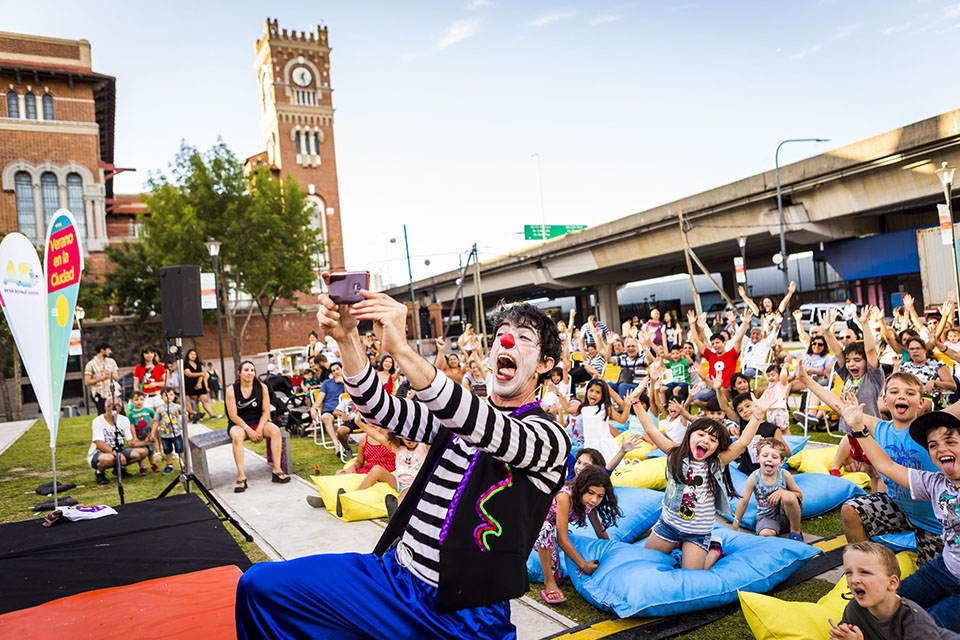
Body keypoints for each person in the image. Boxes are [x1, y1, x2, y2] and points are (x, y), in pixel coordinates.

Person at [235, 274, 569, 639]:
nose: (508, 339)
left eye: (524, 338)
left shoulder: (548, 438)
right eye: (504, 332)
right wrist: (347, 337)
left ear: (544, 364)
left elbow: (484, 426)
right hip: (392, 582)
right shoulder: (454, 417)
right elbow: (378, 408)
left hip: (465, 616)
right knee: (259, 587)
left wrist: (403, 350)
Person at [838, 401, 960, 633]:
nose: (941, 448)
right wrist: (858, 428)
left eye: (951, 442)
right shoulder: (935, 483)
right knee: (880, 605)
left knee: (924, 627)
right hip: (946, 569)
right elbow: (887, 465)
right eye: (933, 445)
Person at [804, 373, 945, 568]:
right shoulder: (880, 428)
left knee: (936, 580)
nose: (902, 396)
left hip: (934, 522)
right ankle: (866, 566)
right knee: (851, 510)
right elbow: (840, 406)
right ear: (885, 400)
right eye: (894, 392)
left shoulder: (930, 432)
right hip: (899, 507)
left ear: (921, 402)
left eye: (910, 393)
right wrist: (805, 379)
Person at [634, 387, 772, 569]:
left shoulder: (716, 463)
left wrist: (757, 415)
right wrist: (635, 402)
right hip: (668, 526)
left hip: (697, 533)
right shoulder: (675, 454)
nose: (706, 441)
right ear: (689, 435)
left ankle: (714, 550)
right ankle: (677, 545)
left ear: (716, 447)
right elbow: (651, 429)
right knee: (646, 564)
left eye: (713, 439)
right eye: (701, 435)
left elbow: (742, 442)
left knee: (695, 573)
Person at [829, 541, 960, 640]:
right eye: (848, 573)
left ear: (892, 583)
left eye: (864, 572)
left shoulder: (914, 622)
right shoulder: (855, 610)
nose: (854, 580)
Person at [535, 465, 620, 605]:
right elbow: (562, 540)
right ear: (581, 487)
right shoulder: (564, 497)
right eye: (591, 493)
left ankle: (553, 579)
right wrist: (584, 566)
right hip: (534, 527)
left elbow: (599, 530)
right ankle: (549, 583)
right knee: (546, 529)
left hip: (550, 532)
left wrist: (613, 549)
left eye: (600, 496)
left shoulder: (590, 504)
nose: (594, 500)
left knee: (559, 577)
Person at [225, 360, 292, 493]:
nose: (249, 373)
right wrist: (249, 430)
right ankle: (241, 476)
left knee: (275, 431)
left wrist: (260, 428)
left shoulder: (262, 387)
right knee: (237, 436)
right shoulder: (231, 390)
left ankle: (277, 470)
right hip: (239, 424)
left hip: (258, 421)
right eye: (246, 370)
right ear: (239, 373)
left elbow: (266, 411)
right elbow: (233, 416)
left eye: (252, 370)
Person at [732, 438, 804, 541]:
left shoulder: (784, 475)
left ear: (781, 462)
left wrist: (782, 492)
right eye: (765, 456)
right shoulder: (754, 478)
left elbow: (799, 495)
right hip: (767, 517)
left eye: (774, 457)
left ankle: (795, 532)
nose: (769, 459)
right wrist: (736, 523)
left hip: (786, 514)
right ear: (758, 458)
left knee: (788, 496)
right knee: (765, 535)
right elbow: (744, 501)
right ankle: (775, 529)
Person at [559, 379, 637, 465]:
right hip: (590, 443)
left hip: (604, 444)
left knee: (611, 466)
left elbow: (622, 420)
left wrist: (627, 406)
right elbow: (568, 408)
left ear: (602, 395)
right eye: (591, 391)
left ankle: (627, 463)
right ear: (587, 391)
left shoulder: (605, 407)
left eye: (597, 392)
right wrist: (557, 393)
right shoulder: (583, 408)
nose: (593, 394)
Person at [689, 308, 751, 407]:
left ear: (724, 343)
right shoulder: (711, 355)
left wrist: (745, 323)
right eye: (713, 344)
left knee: (720, 395)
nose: (715, 346)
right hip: (713, 387)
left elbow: (739, 338)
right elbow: (697, 341)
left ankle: (720, 410)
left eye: (717, 343)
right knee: (696, 400)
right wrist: (692, 324)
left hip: (726, 389)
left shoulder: (731, 354)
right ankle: (711, 411)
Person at [87, 399, 149, 485]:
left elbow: (130, 442)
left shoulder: (124, 420)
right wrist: (117, 454)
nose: (114, 408)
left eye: (117, 405)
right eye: (110, 405)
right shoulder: (97, 421)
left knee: (143, 451)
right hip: (100, 453)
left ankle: (118, 468)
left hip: (120, 450)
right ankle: (99, 473)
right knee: (109, 458)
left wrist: (147, 442)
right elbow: (99, 444)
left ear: (120, 408)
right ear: (105, 408)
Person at [900, 336, 955, 411]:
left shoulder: (937, 365)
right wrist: (896, 365)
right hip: (905, 397)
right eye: (912, 349)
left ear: (925, 350)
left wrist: (935, 382)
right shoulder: (904, 366)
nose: (915, 351)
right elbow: (893, 384)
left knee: (916, 407)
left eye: (918, 348)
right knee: (880, 407)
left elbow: (953, 386)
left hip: (929, 399)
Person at [314, 361, 350, 458]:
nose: (336, 372)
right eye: (333, 371)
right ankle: (337, 445)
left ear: (342, 369)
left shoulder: (348, 382)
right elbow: (319, 399)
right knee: (325, 417)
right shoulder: (327, 383)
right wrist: (313, 408)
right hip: (328, 409)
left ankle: (345, 444)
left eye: (337, 369)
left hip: (342, 410)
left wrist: (344, 381)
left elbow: (348, 396)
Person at [183, 348, 220, 422]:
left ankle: (212, 415)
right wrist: (201, 373)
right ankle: (198, 415)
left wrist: (199, 382)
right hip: (189, 385)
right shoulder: (185, 364)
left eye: (195, 354)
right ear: (188, 355)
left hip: (200, 384)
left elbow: (203, 375)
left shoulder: (199, 364)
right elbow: (189, 374)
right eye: (191, 354)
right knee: (195, 401)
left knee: (205, 399)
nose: (193, 356)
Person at [126, 391, 158, 475]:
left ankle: (153, 464)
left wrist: (153, 430)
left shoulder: (147, 410)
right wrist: (134, 437)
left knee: (150, 451)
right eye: (136, 400)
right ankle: (142, 467)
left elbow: (156, 418)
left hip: (148, 435)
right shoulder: (131, 414)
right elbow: (132, 426)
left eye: (141, 399)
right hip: (139, 437)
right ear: (132, 401)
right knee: (142, 452)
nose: (139, 402)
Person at [84, 342, 118, 415]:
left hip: (113, 394)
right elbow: (87, 382)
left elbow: (116, 378)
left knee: (120, 414)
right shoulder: (90, 364)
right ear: (102, 350)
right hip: (101, 394)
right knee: (103, 416)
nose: (110, 352)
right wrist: (102, 378)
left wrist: (110, 374)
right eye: (108, 350)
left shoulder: (111, 361)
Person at [156, 387, 183, 474]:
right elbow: (156, 421)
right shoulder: (160, 409)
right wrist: (153, 433)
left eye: (171, 395)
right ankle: (169, 465)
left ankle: (184, 465)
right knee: (167, 450)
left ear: (174, 396)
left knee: (180, 449)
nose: (168, 397)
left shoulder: (178, 407)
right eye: (165, 395)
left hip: (176, 433)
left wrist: (181, 423)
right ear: (161, 397)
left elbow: (185, 415)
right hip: (164, 435)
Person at [134, 346, 166, 411]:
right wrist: (138, 396)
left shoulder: (160, 366)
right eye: (146, 353)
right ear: (142, 355)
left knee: (161, 417)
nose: (149, 355)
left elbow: (165, 383)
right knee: (150, 418)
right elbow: (136, 384)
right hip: (145, 397)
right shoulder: (138, 368)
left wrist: (156, 384)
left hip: (158, 396)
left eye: (151, 353)